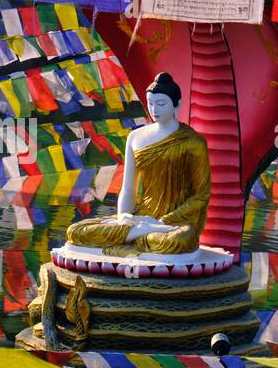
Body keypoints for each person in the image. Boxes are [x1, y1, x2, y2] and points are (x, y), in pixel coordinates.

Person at [64, 72, 210, 257]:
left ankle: (136, 235)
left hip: (173, 223)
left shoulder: (193, 142)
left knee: (181, 239)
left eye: (161, 103)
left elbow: (201, 195)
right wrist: (123, 217)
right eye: (150, 103)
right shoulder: (136, 137)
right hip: (142, 217)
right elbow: (129, 188)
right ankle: (137, 234)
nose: (154, 109)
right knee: (76, 231)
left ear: (177, 104)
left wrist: (163, 222)